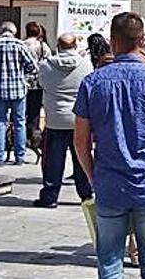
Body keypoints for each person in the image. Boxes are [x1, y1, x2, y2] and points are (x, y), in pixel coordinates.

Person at [74, 12, 145, 279]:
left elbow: (80, 140)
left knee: (110, 261)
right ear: (143, 40)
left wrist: (91, 174)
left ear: (112, 42)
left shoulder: (92, 82)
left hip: (109, 181)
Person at [33, 33, 94, 208]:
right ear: (75, 46)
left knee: (52, 161)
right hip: (79, 120)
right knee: (82, 159)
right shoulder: (86, 65)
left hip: (55, 119)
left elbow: (41, 84)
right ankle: (86, 194)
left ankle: (50, 196)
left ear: (58, 46)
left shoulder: (45, 66)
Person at [0, 21, 40, 166]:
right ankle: (20, 157)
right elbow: (33, 66)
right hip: (18, 90)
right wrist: (21, 74)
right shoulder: (20, 46)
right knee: (20, 122)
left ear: (1, 31)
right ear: (14, 32)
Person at [24, 22, 53, 140]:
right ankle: (33, 135)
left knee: (22, 110)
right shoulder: (43, 46)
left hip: (22, 82)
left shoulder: (21, 45)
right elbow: (49, 63)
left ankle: (20, 135)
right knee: (35, 110)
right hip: (38, 82)